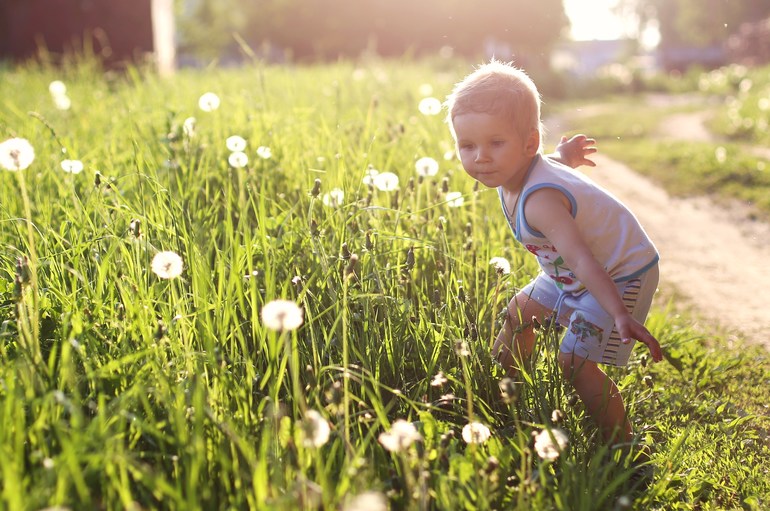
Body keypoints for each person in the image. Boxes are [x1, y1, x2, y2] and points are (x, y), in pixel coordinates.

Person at [445, 60, 662, 445]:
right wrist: (563, 157)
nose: (481, 156)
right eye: (468, 145)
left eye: (496, 143)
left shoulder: (541, 201)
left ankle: (624, 444)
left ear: (530, 144)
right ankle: (502, 394)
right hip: (567, 271)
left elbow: (582, 259)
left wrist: (617, 312)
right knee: (519, 313)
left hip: (615, 275)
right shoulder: (514, 171)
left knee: (574, 362)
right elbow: (546, 167)